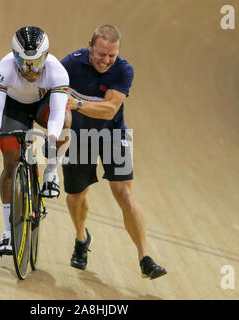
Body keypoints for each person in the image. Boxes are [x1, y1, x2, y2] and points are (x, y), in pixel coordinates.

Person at [61, 25, 167, 279]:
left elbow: (109, 109)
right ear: (90, 46)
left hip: (112, 134)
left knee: (124, 193)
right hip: (78, 136)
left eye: (112, 55)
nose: (107, 61)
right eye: (101, 55)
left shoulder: (123, 69)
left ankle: (145, 257)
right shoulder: (70, 64)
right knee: (76, 195)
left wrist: (76, 103)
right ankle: (81, 237)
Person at [0, 26, 71, 257]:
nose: (30, 69)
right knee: (10, 164)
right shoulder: (3, 68)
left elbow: (58, 113)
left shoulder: (57, 72)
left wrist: (50, 139)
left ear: (46, 56)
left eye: (36, 61)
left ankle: (51, 173)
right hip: (13, 109)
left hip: (43, 105)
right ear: (14, 56)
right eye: (24, 61)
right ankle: (8, 232)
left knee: (67, 120)